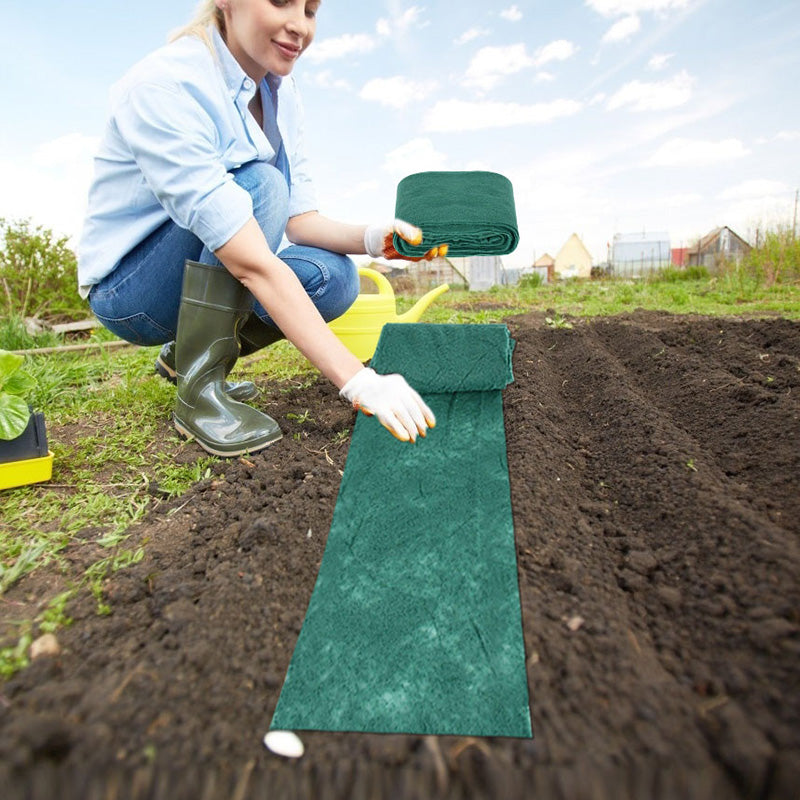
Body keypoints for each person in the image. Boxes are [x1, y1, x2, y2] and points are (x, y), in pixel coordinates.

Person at [78, 0, 447, 457]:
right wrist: (359, 381)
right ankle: (199, 392)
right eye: (280, 2)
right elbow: (250, 259)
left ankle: (183, 359)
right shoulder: (166, 85)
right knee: (262, 186)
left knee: (334, 277)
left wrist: (375, 239)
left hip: (207, 264)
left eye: (311, 10)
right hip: (131, 293)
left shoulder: (278, 92)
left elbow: (300, 221)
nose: (299, 26)